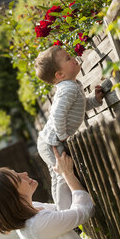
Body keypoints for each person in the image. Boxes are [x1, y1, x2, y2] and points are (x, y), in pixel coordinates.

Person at [35, 46, 104, 210]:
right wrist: (63, 135)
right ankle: (63, 212)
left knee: (60, 174)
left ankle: (63, 208)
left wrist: (96, 100)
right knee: (61, 175)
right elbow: (57, 114)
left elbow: (80, 106)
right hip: (51, 143)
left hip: (52, 141)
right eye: (67, 58)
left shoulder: (73, 86)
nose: (73, 58)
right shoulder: (68, 89)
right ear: (60, 75)